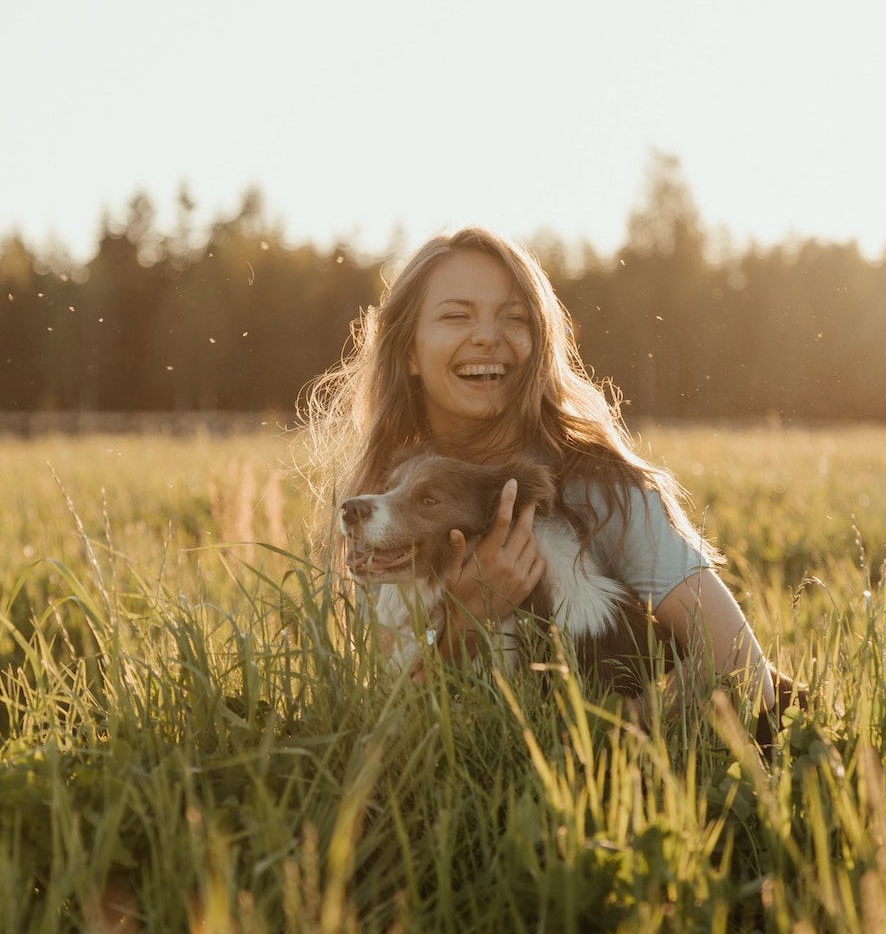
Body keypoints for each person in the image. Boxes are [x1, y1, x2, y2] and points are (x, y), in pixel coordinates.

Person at [301, 226, 804, 744]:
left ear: (539, 344)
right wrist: (467, 617)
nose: (486, 336)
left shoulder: (604, 490)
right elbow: (388, 720)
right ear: (407, 350)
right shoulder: (380, 505)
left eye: (514, 318)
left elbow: (746, 673)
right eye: (456, 315)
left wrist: (613, 736)